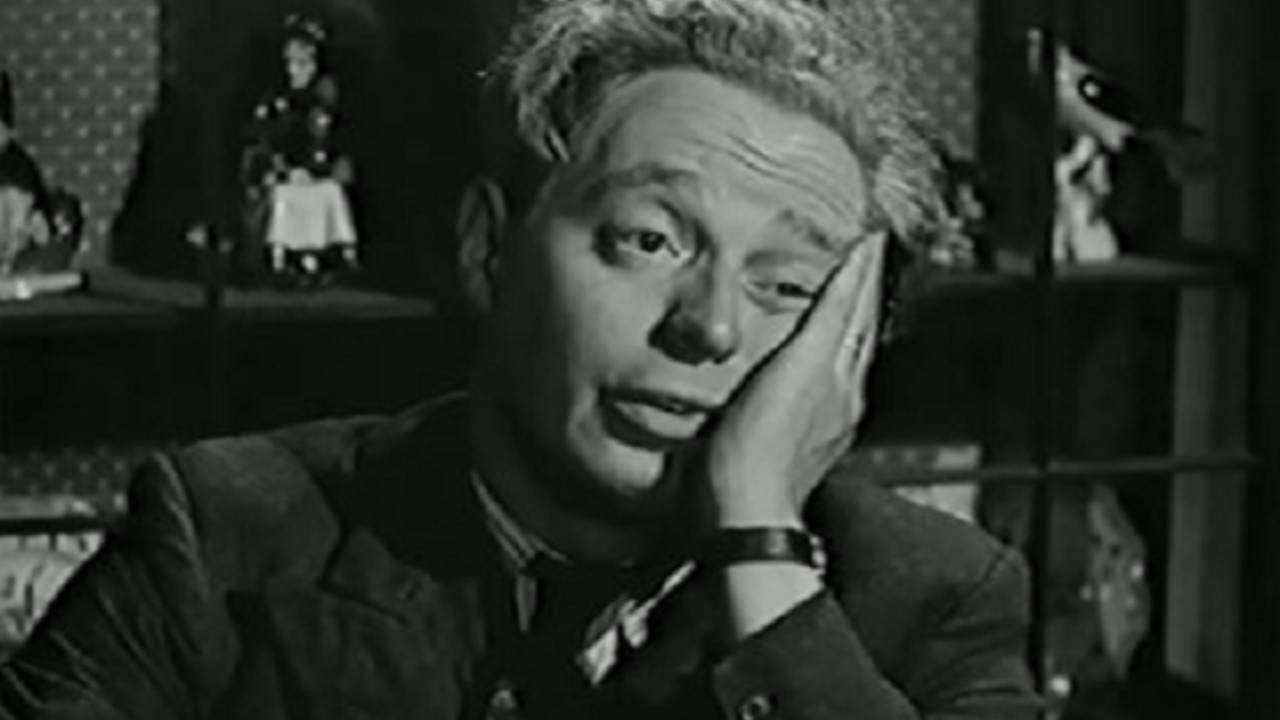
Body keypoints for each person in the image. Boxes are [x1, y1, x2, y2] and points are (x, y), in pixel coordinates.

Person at [0, 1, 1037, 717]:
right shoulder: (226, 531)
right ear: (489, 248)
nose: (710, 327)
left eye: (787, 287)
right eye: (649, 239)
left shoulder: (931, 596)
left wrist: (759, 549)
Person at [242, 14, 358, 288]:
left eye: (303, 63)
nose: (295, 71)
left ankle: (324, 256)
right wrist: (278, 167)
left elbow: (332, 143)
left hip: (316, 175)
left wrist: (321, 168)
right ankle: (278, 257)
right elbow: (260, 140)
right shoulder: (273, 102)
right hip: (281, 175)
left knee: (330, 194)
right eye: (291, 63)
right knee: (282, 199)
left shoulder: (323, 104)